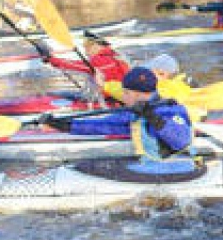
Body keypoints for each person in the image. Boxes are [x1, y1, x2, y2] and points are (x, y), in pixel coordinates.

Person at [39, 67, 196, 171]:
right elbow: (104, 125)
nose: (122, 96)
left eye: (126, 93)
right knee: (90, 166)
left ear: (138, 94)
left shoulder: (171, 109)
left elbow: (182, 140)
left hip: (179, 168)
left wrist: (152, 117)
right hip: (155, 167)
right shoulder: (134, 113)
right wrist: (62, 125)